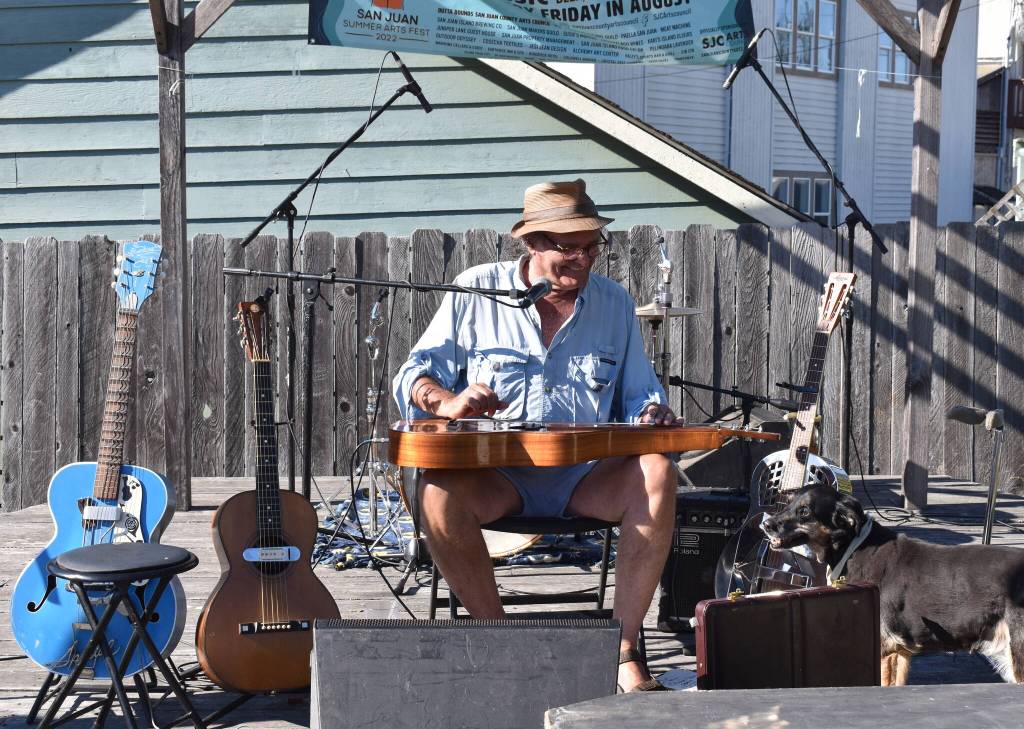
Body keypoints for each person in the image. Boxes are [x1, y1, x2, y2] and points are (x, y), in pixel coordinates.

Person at [392, 179, 677, 692]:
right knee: (434, 490)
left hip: (583, 477)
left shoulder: (615, 302)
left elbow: (639, 396)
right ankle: (501, 643)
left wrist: (652, 412)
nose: (583, 260)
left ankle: (622, 650)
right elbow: (414, 374)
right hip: (498, 475)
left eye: (591, 247)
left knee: (658, 472)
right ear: (531, 242)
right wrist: (447, 402)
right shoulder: (477, 289)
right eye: (568, 247)